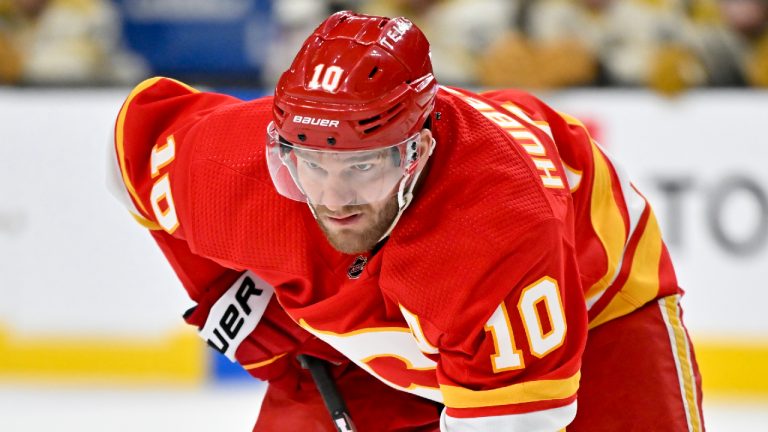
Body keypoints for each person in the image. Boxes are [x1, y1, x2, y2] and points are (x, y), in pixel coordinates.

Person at [108, 11, 704, 431]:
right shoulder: (232, 168)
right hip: (384, 337)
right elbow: (128, 157)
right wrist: (220, 296)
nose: (334, 196)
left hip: (598, 309)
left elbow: (514, 425)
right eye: (312, 164)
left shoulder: (495, 230)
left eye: (365, 165)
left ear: (414, 152)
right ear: (280, 148)